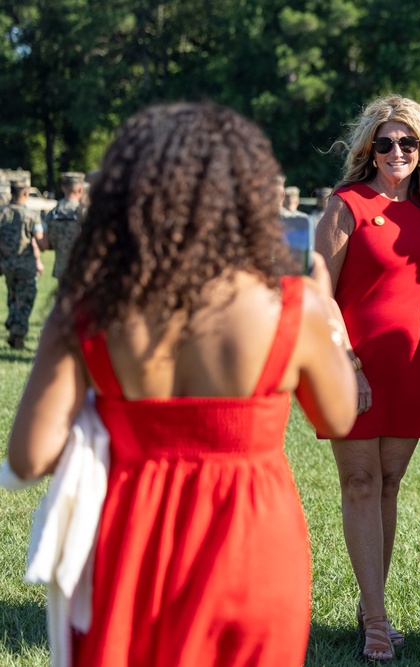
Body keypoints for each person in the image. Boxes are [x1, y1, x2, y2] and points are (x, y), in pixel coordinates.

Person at [4, 102, 358, 666]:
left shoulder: (88, 307)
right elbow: (338, 417)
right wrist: (326, 312)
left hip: (127, 541)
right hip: (253, 540)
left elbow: (28, 457)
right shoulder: (294, 305)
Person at [315, 94, 420, 662]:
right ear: (369, 148)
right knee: (361, 483)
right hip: (355, 365)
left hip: (413, 367)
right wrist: (348, 363)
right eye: (386, 142)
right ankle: (374, 619)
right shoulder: (346, 205)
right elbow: (317, 291)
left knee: (390, 483)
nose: (396, 152)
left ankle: (378, 605)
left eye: (408, 143)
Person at [0, 178, 46, 350]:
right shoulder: (32, 215)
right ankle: (18, 336)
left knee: (13, 297)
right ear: (26, 193)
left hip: (6, 265)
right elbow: (41, 243)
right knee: (26, 299)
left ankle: (12, 323)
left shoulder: (1, 213)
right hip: (25, 266)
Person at [42, 171, 87, 282]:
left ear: (63, 188)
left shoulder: (53, 213)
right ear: (81, 190)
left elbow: (46, 244)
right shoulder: (84, 212)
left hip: (61, 268)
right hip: (81, 268)